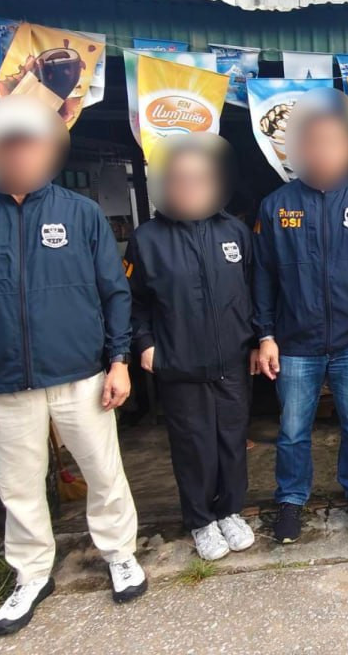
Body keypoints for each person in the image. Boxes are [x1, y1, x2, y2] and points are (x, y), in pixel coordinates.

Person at [0, 96, 146, 636]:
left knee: (103, 471)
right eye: (8, 147)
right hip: (2, 380)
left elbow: (115, 293)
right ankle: (31, 574)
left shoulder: (81, 213)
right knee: (19, 485)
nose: (19, 156)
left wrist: (118, 361)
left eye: (29, 146)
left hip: (80, 374)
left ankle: (120, 554)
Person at [253, 88, 348, 543]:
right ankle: (291, 499)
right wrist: (266, 335)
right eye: (313, 142)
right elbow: (264, 275)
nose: (323, 150)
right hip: (294, 342)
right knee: (293, 430)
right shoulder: (276, 206)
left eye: (333, 141)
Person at [124, 134, 257, 561]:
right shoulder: (147, 239)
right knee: (194, 446)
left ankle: (230, 511)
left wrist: (258, 339)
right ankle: (200, 520)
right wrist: (144, 344)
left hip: (232, 360)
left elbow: (253, 290)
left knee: (232, 441)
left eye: (200, 179)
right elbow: (134, 301)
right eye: (180, 179)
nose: (191, 186)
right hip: (179, 361)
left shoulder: (235, 231)